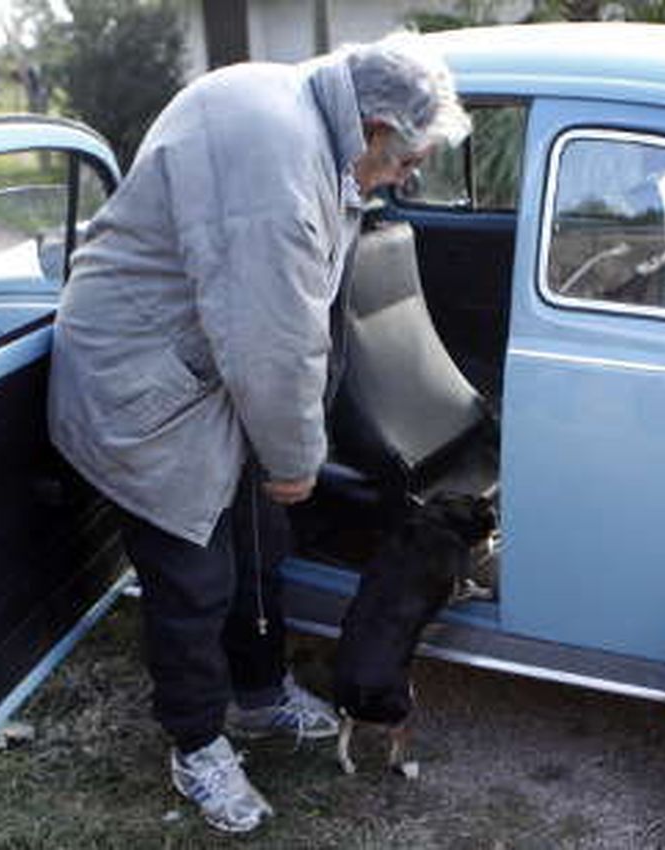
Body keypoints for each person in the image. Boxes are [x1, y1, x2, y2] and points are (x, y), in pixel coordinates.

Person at [47, 34, 469, 834]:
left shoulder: (314, 128)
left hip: (211, 377)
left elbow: (286, 325)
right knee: (192, 577)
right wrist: (295, 457)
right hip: (147, 391)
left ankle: (259, 695)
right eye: (407, 162)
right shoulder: (275, 158)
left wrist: (286, 451)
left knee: (261, 543)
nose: (405, 179)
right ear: (376, 126)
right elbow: (271, 342)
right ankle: (196, 743)